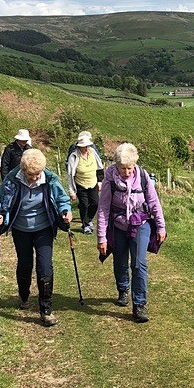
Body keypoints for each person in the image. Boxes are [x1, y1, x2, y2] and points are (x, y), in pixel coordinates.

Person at [0, 149, 72, 326]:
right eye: (30, 174)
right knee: (25, 264)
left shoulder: (50, 179)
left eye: (37, 174)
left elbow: (62, 200)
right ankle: (24, 296)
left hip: (44, 228)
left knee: (45, 267)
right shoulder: (12, 180)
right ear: (23, 170)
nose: (34, 178)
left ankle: (46, 309)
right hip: (21, 229)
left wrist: (66, 212)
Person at [96, 143, 166, 323]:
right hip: (118, 225)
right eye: (122, 168)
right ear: (116, 166)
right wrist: (102, 237)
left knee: (138, 263)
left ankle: (139, 304)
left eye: (129, 168)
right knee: (120, 260)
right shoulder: (109, 180)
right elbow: (103, 209)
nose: (126, 172)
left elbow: (153, 202)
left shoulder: (143, 177)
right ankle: (122, 289)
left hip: (140, 223)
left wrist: (161, 226)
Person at [66, 132, 104, 234]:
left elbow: (100, 167)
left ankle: (89, 219)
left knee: (95, 203)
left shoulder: (93, 152)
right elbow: (70, 175)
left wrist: (100, 181)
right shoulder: (74, 156)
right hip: (80, 184)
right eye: (83, 146)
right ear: (79, 147)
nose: (86, 148)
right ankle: (85, 225)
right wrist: (72, 191)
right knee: (84, 204)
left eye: (87, 146)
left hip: (93, 182)